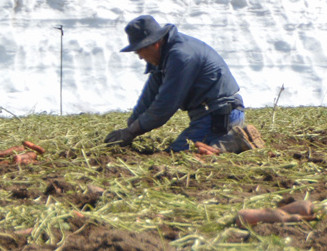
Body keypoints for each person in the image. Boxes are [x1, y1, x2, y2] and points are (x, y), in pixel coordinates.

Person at [103, 15, 262, 153]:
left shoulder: (181, 56)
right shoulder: (163, 56)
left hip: (220, 115)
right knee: (178, 152)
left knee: (179, 156)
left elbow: (165, 104)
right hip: (208, 115)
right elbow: (150, 93)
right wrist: (130, 126)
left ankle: (230, 143)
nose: (140, 57)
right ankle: (228, 141)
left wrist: (132, 132)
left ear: (154, 43)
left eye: (140, 51)